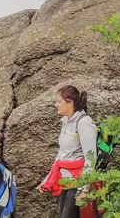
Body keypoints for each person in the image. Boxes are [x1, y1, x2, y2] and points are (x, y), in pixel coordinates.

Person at [37, 85, 99, 218]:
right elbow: (61, 155)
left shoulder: (84, 123)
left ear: (70, 103)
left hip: (78, 182)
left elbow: (91, 158)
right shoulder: (66, 122)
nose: (56, 105)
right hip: (65, 181)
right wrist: (47, 179)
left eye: (59, 101)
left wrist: (84, 190)